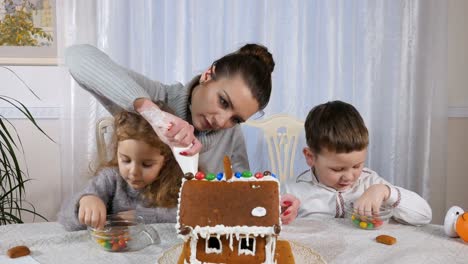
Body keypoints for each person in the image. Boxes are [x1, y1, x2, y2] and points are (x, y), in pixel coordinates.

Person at [65, 43, 275, 174]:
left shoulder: (230, 133)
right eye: (223, 102)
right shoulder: (156, 97)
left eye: (236, 119)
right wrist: (152, 114)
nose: (222, 121)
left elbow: (242, 191)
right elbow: (77, 56)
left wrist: (275, 204)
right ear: (208, 75)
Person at [281, 100, 432, 226]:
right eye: (337, 169)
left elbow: (425, 216)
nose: (348, 177)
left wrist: (385, 192)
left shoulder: (370, 182)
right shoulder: (292, 190)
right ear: (310, 157)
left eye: (356, 166)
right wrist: (281, 217)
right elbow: (266, 228)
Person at [58, 111, 183, 231]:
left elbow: (188, 215)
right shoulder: (110, 178)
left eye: (146, 164)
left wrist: (142, 217)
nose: (134, 172)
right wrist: (85, 201)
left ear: (165, 160)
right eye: (126, 160)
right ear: (116, 151)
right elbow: (64, 218)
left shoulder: (174, 181)